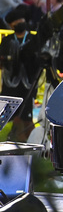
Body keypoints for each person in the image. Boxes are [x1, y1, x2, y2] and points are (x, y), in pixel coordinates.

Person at [0, 8, 36, 142]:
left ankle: (25, 143)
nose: (21, 23)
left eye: (22, 21)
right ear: (11, 26)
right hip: (10, 87)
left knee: (26, 120)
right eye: (17, 22)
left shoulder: (33, 39)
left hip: (27, 86)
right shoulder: (7, 41)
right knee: (8, 119)